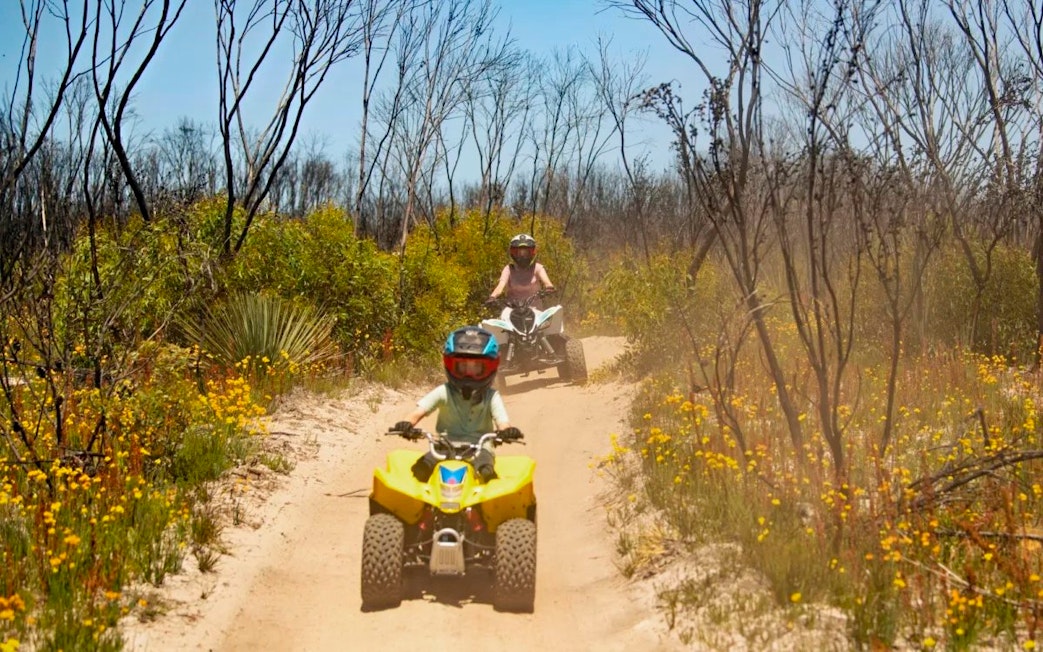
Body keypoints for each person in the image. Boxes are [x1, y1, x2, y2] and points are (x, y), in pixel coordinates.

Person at [390, 326, 521, 483]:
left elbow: (502, 423)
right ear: (450, 365)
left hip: (480, 449)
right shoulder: (443, 391)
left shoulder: (491, 397)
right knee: (420, 469)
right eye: (462, 366)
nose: (468, 374)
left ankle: (487, 506)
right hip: (444, 447)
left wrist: (507, 432)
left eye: (476, 368)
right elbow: (418, 412)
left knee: (487, 472)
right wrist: (406, 424)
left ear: (490, 368)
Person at [487, 233, 555, 307]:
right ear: (512, 253)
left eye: (526, 253)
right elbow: (500, 287)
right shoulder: (508, 269)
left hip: (535, 311)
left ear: (532, 253)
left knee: (556, 313)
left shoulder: (538, 268)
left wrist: (549, 288)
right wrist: (492, 297)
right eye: (518, 253)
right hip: (511, 311)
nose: (522, 256)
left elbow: (547, 283)